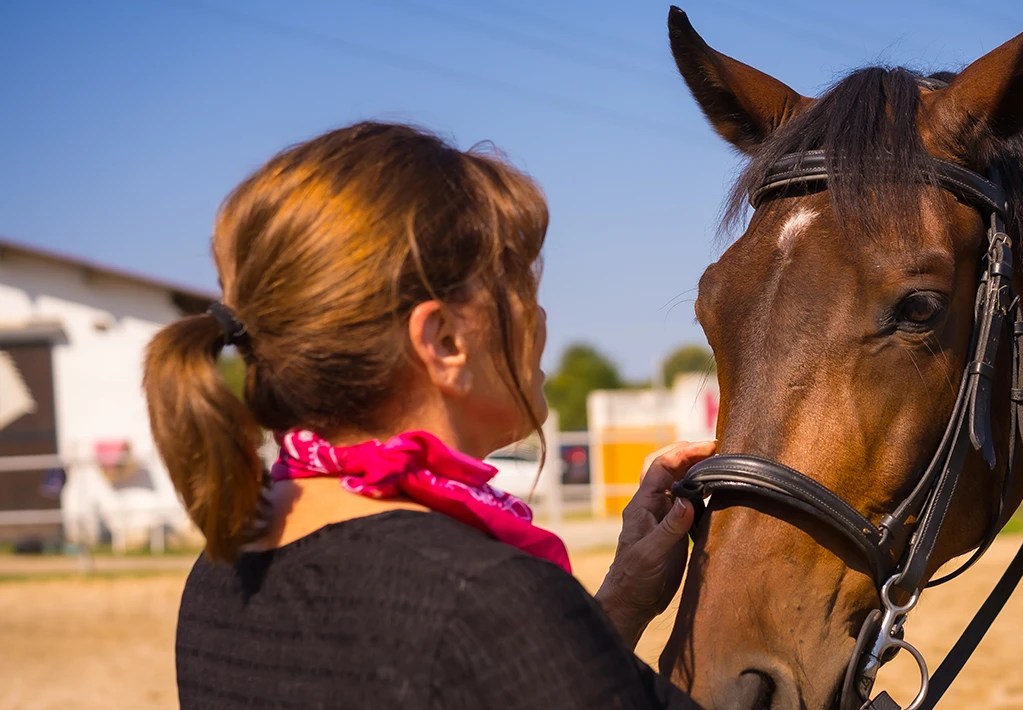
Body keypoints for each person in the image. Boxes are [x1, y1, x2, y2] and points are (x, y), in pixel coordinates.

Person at [143, 122, 710, 708]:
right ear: (443, 340)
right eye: (518, 285)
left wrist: (620, 600)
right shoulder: (485, 597)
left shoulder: (221, 575)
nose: (540, 317)